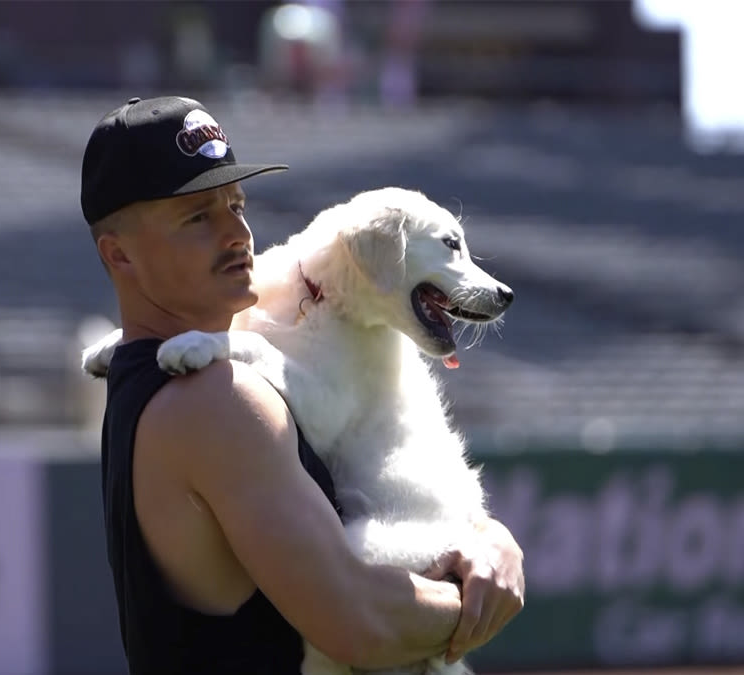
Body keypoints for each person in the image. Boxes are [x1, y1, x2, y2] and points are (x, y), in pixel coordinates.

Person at [81, 95, 525, 675]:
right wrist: (478, 596)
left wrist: (481, 535)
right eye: (198, 216)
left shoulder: (149, 376)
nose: (238, 232)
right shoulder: (219, 398)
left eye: (236, 204)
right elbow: (358, 622)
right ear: (120, 256)